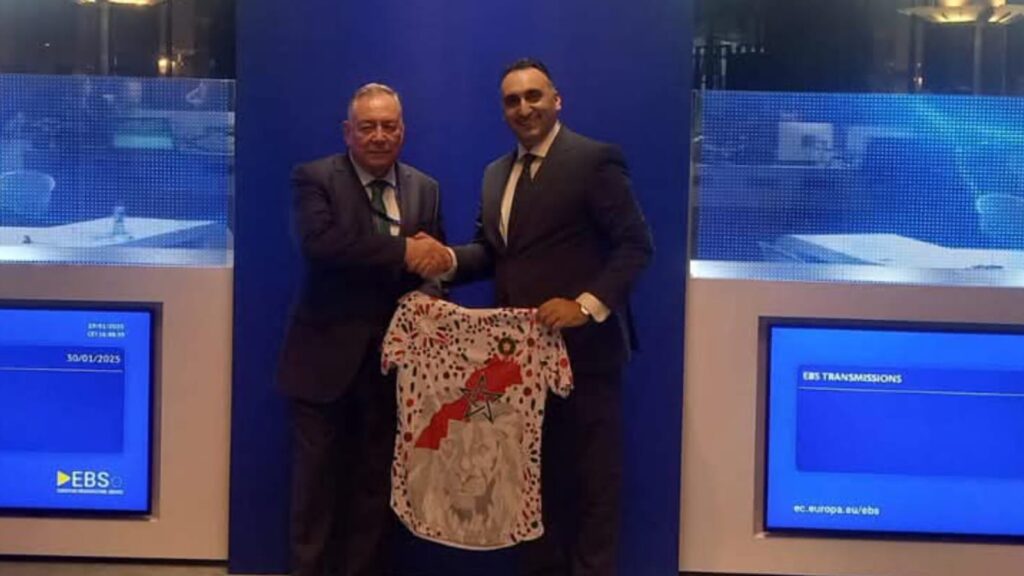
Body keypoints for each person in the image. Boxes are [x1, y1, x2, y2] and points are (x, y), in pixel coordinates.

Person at [436, 58, 654, 576]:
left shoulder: (594, 160)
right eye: (512, 100)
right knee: (529, 484)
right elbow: (492, 253)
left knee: (592, 484)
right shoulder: (495, 174)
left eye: (533, 96)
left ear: (557, 100)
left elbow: (635, 246)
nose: (524, 107)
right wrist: (444, 261)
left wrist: (584, 306)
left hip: (585, 358)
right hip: (517, 367)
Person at [277, 82, 451, 576]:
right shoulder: (314, 178)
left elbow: (435, 265)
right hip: (322, 362)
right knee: (315, 489)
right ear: (347, 132)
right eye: (368, 126)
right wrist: (403, 251)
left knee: (376, 486)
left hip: (393, 368)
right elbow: (322, 245)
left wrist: (429, 294)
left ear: (403, 131)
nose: (379, 136)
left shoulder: (426, 188)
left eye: (388, 126)